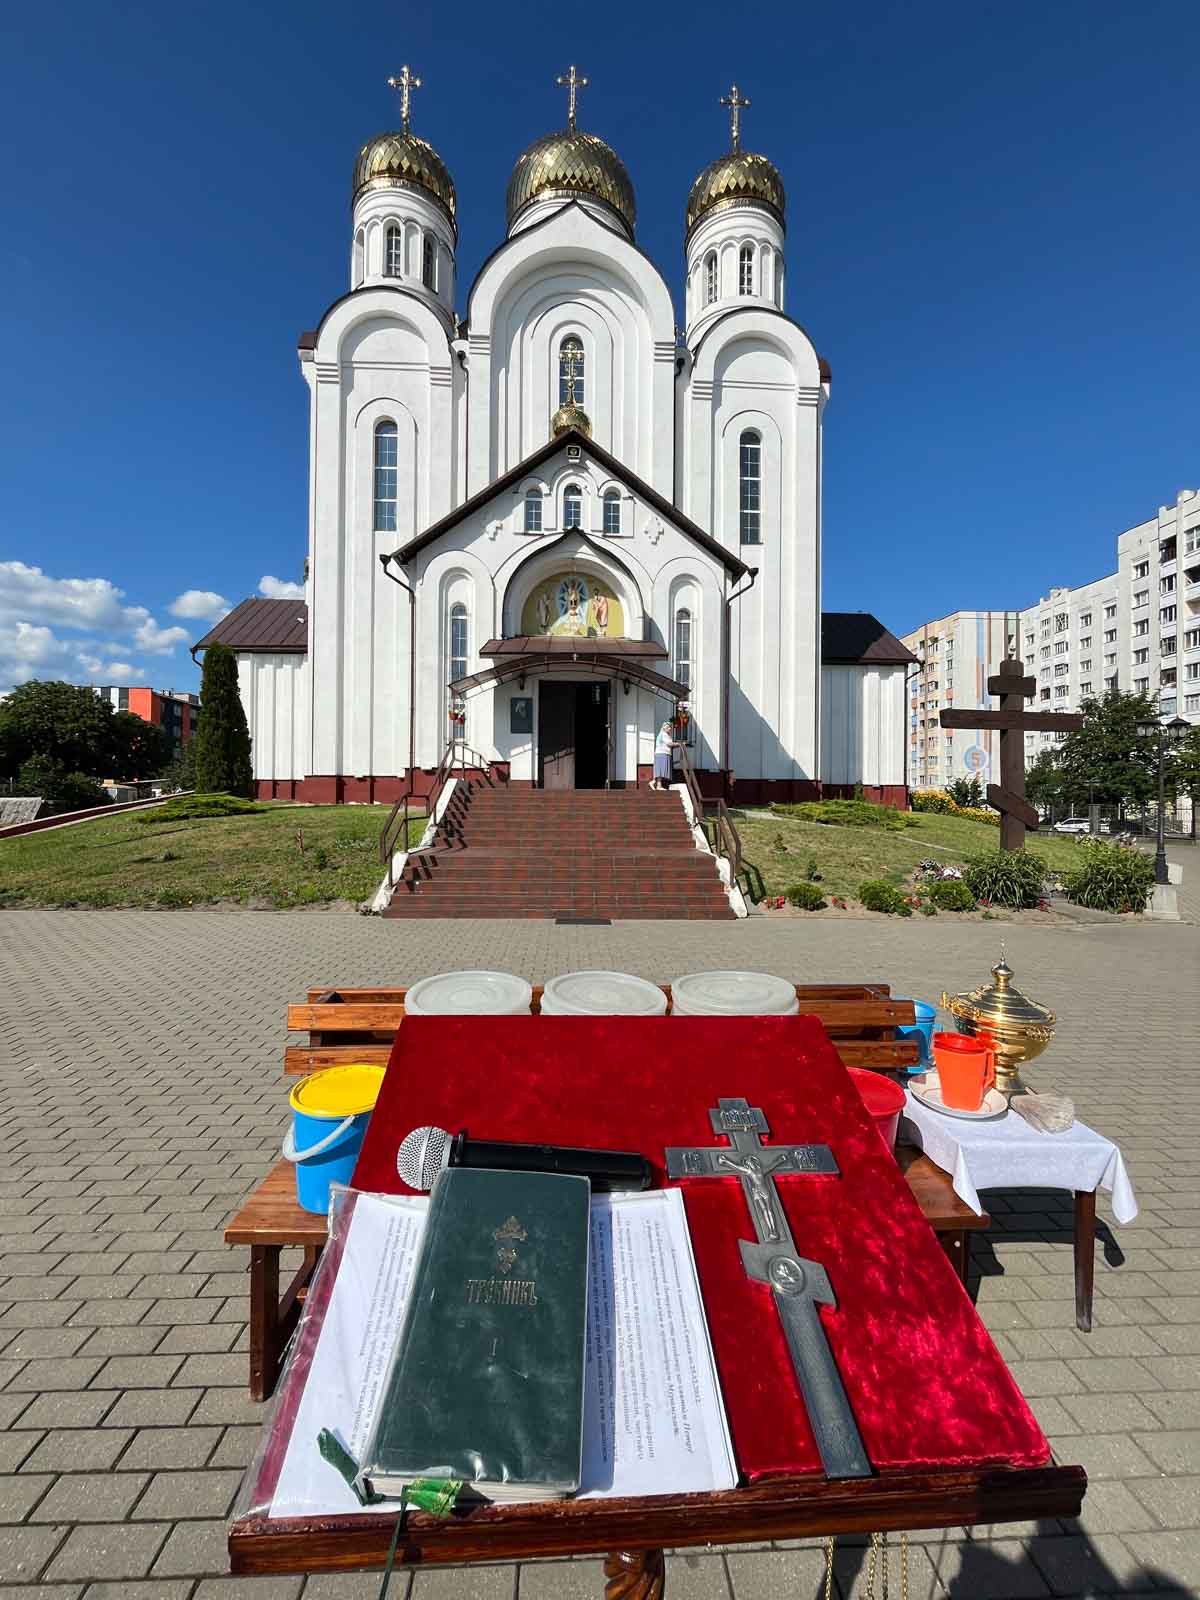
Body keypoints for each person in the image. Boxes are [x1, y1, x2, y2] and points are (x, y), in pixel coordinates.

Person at [651, 719, 673, 791]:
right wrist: (679, 744)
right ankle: (658, 786)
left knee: (660, 769)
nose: (670, 729)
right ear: (664, 728)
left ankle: (653, 782)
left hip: (660, 753)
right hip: (662, 753)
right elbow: (669, 744)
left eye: (670, 727)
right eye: (668, 727)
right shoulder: (664, 734)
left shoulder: (662, 734)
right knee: (661, 770)